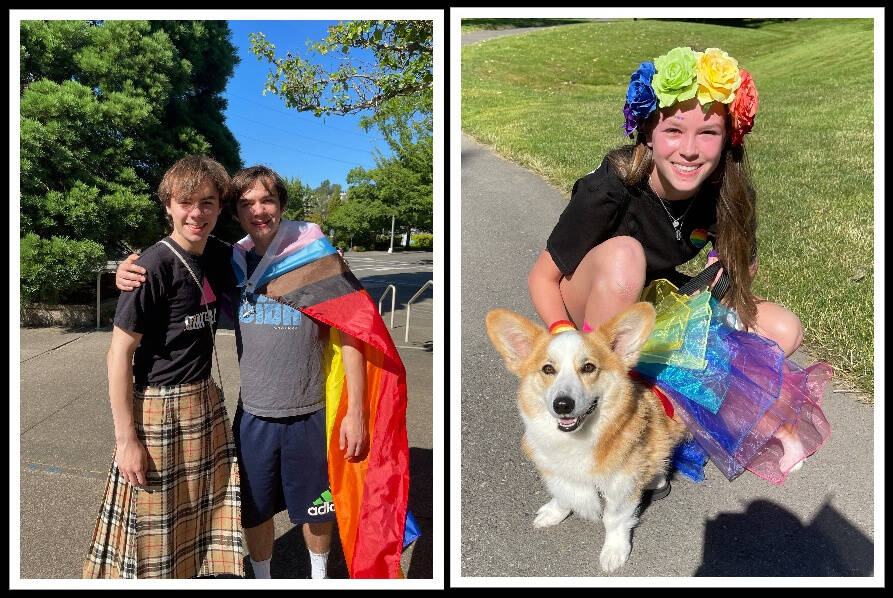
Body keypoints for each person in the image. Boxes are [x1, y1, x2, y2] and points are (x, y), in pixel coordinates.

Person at [527, 47, 831, 487]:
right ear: (648, 133)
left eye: (708, 133)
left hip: (656, 299)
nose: (689, 150)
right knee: (624, 257)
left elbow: (741, 269)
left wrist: (722, 310)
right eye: (673, 130)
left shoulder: (724, 188)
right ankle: (601, 405)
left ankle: (670, 401)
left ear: (728, 138)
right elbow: (542, 278)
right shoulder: (610, 188)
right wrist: (563, 338)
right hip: (593, 306)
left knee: (784, 329)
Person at [115, 165, 411, 579]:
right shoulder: (229, 260)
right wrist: (128, 268)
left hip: (310, 413)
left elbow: (351, 335)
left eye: (266, 200)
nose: (258, 211)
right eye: (246, 203)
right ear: (235, 212)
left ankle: (320, 576)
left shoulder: (317, 259)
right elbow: (177, 249)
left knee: (317, 509)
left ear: (282, 205)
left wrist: (356, 412)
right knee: (253, 511)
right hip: (253, 416)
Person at [83, 155, 243, 578]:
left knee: (197, 511)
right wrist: (126, 439)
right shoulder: (151, 266)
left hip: (203, 399)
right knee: (151, 520)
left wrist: (323, 252)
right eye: (186, 201)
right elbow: (118, 354)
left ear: (219, 207)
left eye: (208, 202)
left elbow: (270, 249)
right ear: (168, 205)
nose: (197, 213)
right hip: (157, 407)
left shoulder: (221, 255)